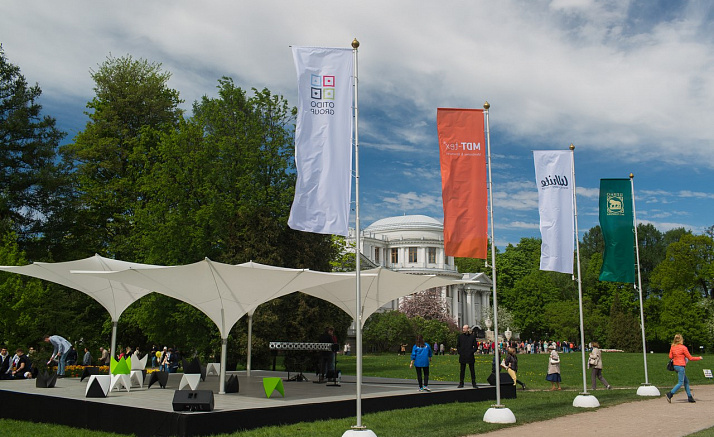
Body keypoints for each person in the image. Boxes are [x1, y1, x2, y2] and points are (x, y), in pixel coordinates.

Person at [666, 333, 703, 403]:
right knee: (680, 383)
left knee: (686, 381)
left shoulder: (672, 347)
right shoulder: (683, 348)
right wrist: (699, 358)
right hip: (681, 366)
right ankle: (670, 394)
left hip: (675, 366)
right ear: (681, 340)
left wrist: (676, 355)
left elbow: (670, 357)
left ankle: (690, 397)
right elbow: (690, 358)